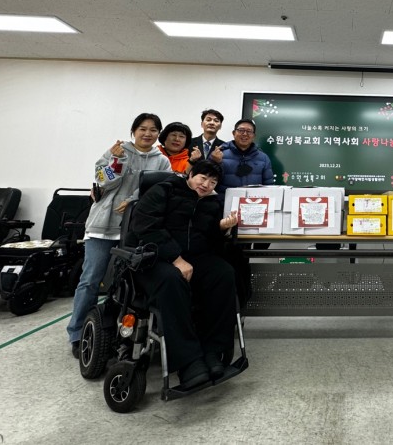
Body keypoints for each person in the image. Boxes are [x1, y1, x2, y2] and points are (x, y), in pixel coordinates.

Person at [67, 113, 172, 358]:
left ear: (158, 134)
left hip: (135, 229)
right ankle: (77, 333)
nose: (148, 133)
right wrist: (117, 160)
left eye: (153, 130)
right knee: (90, 280)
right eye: (143, 128)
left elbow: (161, 190)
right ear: (133, 131)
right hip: (103, 226)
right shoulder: (117, 151)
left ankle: (116, 331)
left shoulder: (162, 161)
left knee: (126, 284)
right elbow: (102, 182)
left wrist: (134, 200)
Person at [127, 160, 240, 388]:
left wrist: (222, 229)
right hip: (155, 258)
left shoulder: (211, 203)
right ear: (190, 174)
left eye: (213, 182)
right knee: (172, 279)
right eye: (203, 178)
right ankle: (188, 362)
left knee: (223, 273)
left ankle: (213, 350)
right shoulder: (163, 190)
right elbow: (145, 226)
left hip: (194, 258)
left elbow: (209, 241)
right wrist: (176, 259)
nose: (206, 185)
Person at [218, 118, 275, 200]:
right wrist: (215, 161)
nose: (245, 134)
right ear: (234, 133)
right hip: (224, 203)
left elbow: (269, 186)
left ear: (254, 136)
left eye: (249, 131)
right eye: (241, 130)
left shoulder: (263, 158)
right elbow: (210, 181)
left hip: (254, 204)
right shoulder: (220, 154)